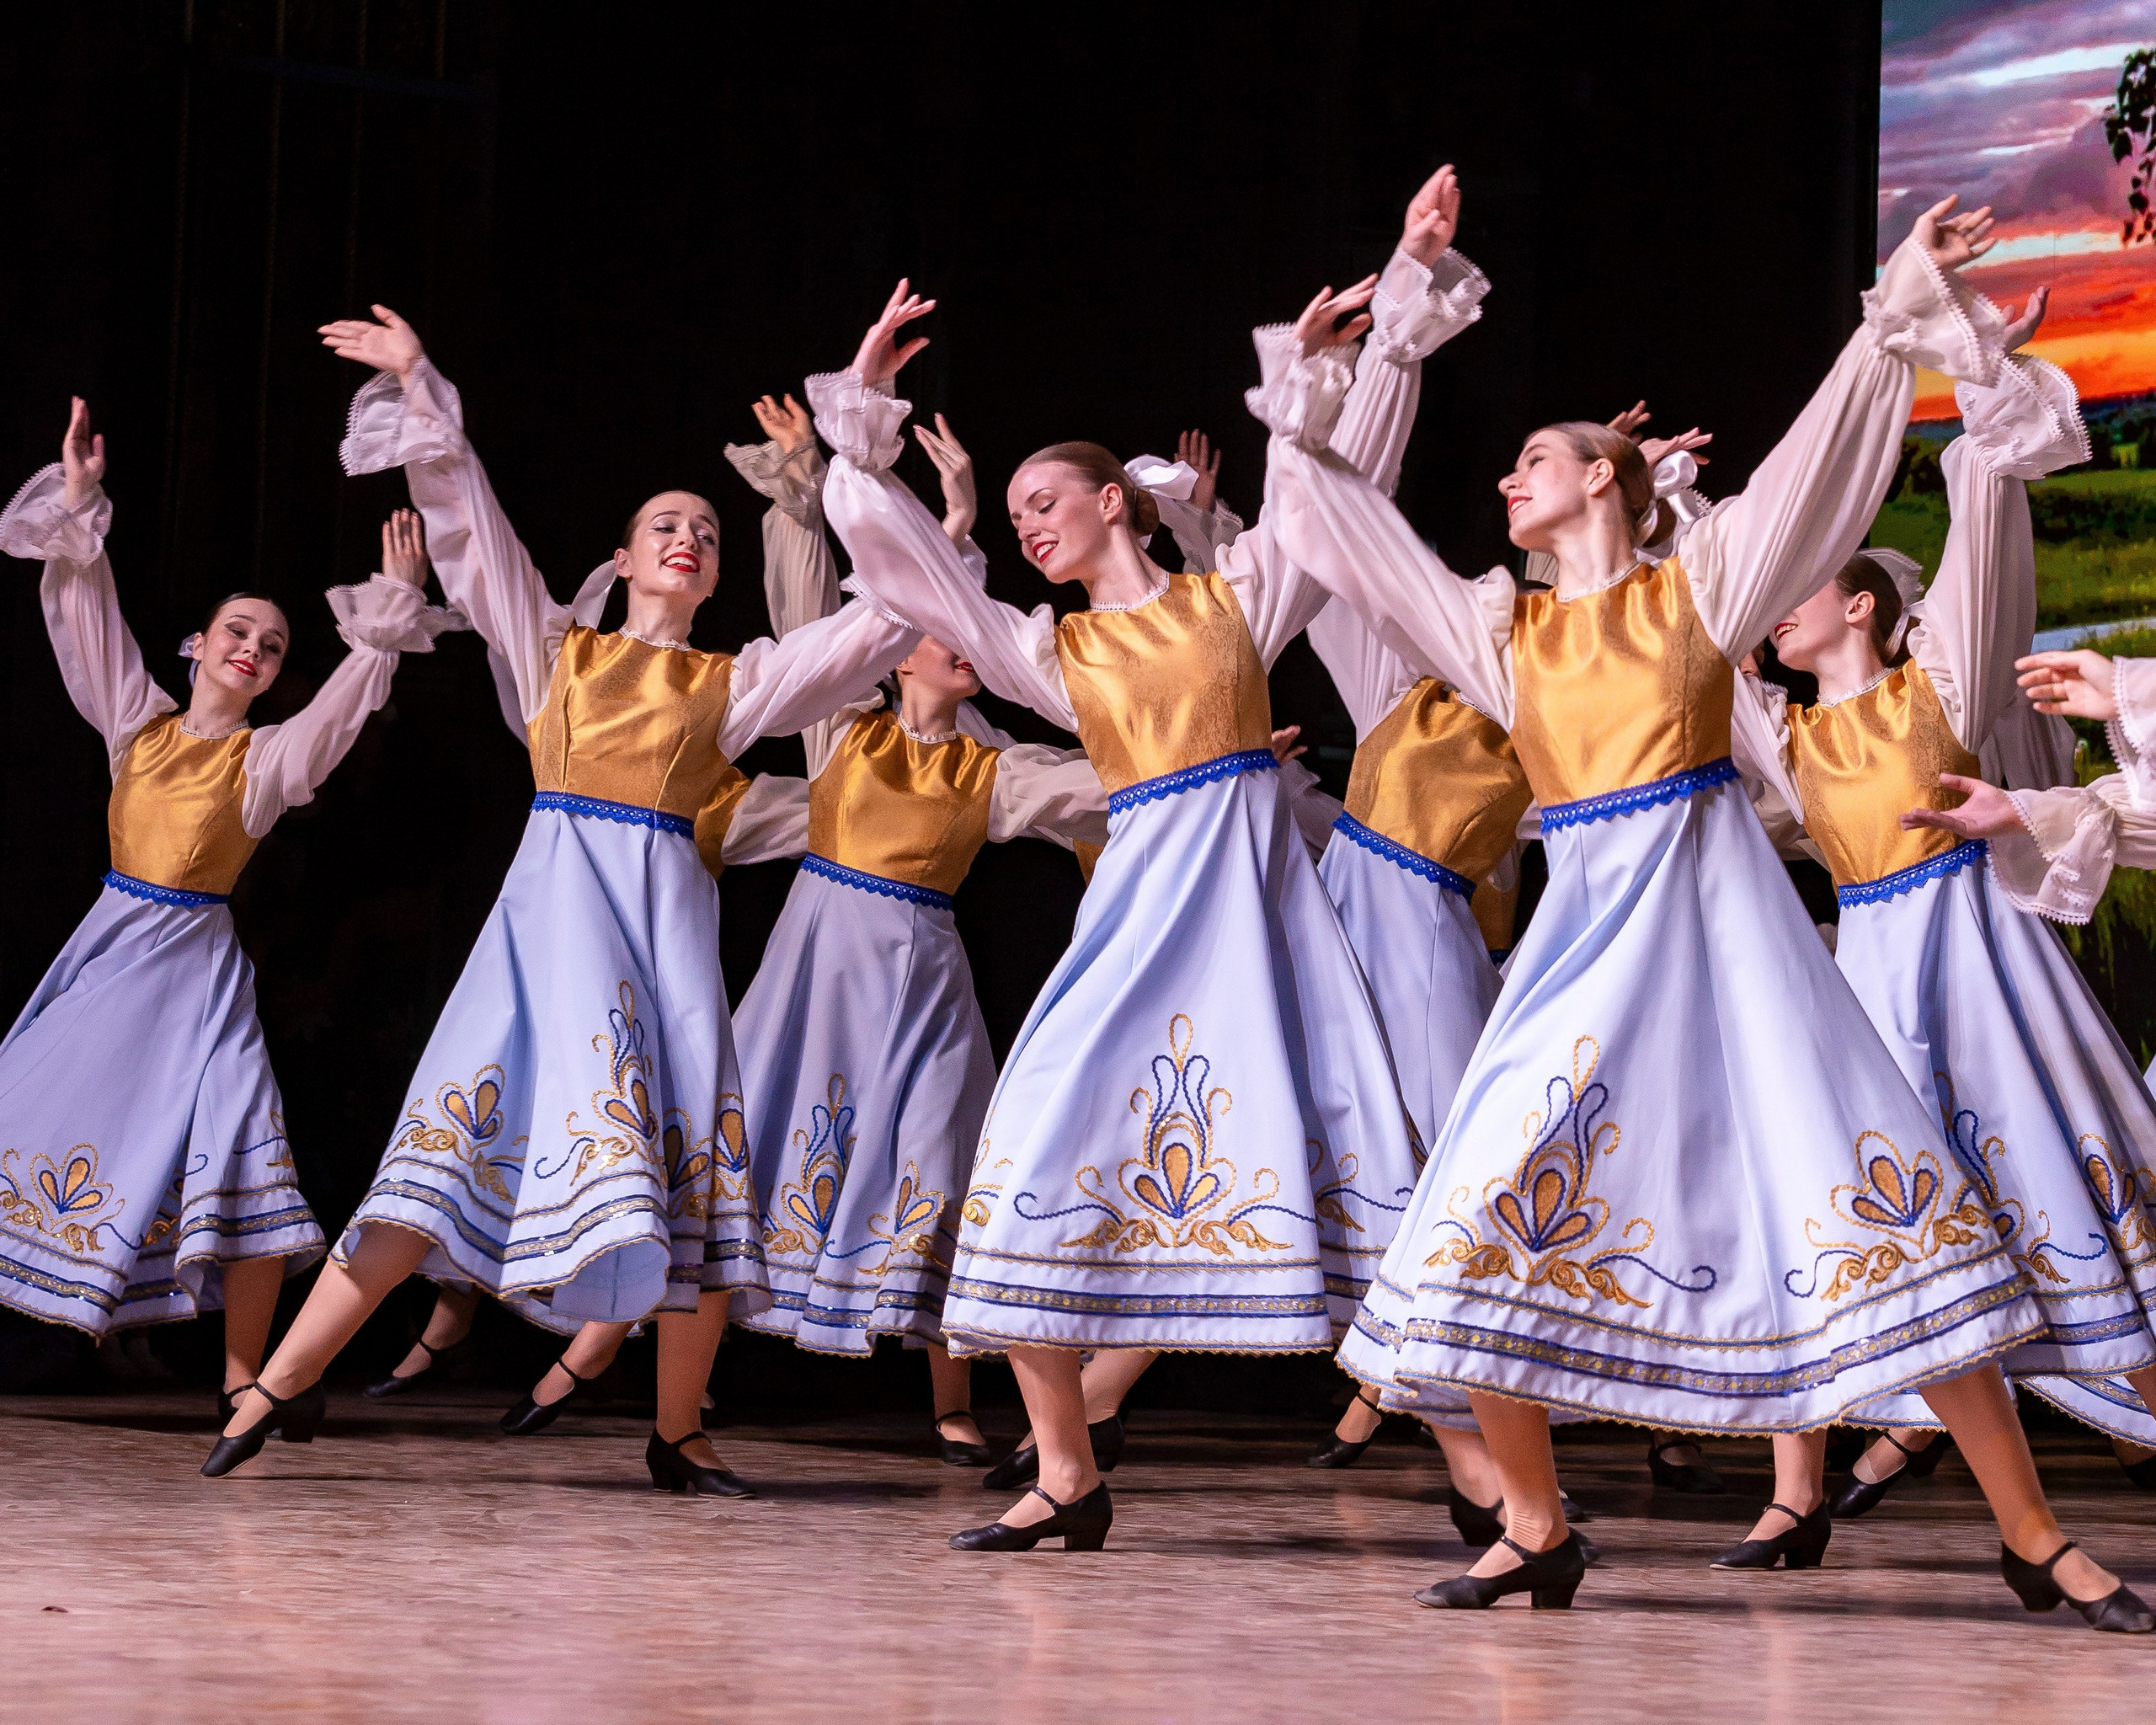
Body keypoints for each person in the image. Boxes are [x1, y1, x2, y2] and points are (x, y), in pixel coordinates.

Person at [1270, 193, 2148, 1630]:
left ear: (1604, 482)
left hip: (1726, 954)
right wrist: (1362, 348)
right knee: (1481, 1210)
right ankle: (1538, 1522)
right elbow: (1345, 527)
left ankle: (2032, 1529)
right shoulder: (1507, 633)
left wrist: (1893, 316)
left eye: (1535, 462)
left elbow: (1818, 471)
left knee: (1892, 1219)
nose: (1511, 480)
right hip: (1577, 958)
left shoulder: (1701, 593)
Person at [202, 306, 921, 1493]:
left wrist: (865, 448)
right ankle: (278, 1380)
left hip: (661, 957)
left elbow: (882, 617)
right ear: (626, 560)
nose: (687, 536)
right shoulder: (557, 656)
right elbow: (476, 536)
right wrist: (420, 386)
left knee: (691, 1187)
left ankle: (679, 1431)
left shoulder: (733, 685)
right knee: (432, 1167)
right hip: (543, 954)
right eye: (663, 526)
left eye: (703, 530)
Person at [808, 255, 1431, 1551]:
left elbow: (1333, 491)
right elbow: (921, 576)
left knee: (1363, 1172)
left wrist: (1355, 349)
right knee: (1023, 1165)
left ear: (1113, 502)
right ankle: (1065, 1470)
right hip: (1139, 935)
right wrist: (863, 434)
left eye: (1048, 502)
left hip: (1257, 938)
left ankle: (1502, 1498)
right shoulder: (1052, 650)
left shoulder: (1234, 600)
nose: (1031, 525)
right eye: (1019, 512)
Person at [0, 399, 459, 1415]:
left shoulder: (265, 760)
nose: (252, 645)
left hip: (198, 977)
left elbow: (336, 718)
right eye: (237, 631)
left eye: (272, 639)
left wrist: (384, 620)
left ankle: (242, 1379)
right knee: (21, 1116)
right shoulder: (138, 726)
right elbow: (90, 623)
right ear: (198, 645)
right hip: (114, 956)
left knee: (251, 1153)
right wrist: (79, 509)